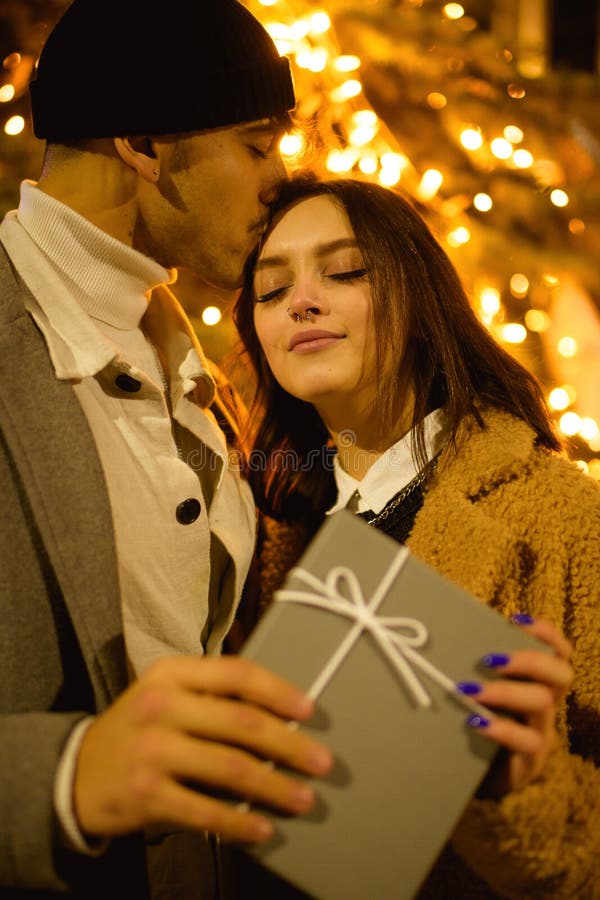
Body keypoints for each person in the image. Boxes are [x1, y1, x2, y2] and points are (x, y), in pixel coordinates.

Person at [0, 4, 336, 898]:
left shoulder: (189, 354)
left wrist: (455, 733)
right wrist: (64, 779)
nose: (283, 179)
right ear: (144, 144)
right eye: (259, 144)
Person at [231, 171, 600, 898]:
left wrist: (517, 789)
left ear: (422, 302)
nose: (301, 300)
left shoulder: (560, 515)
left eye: (344, 273)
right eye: (271, 292)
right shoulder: (261, 529)